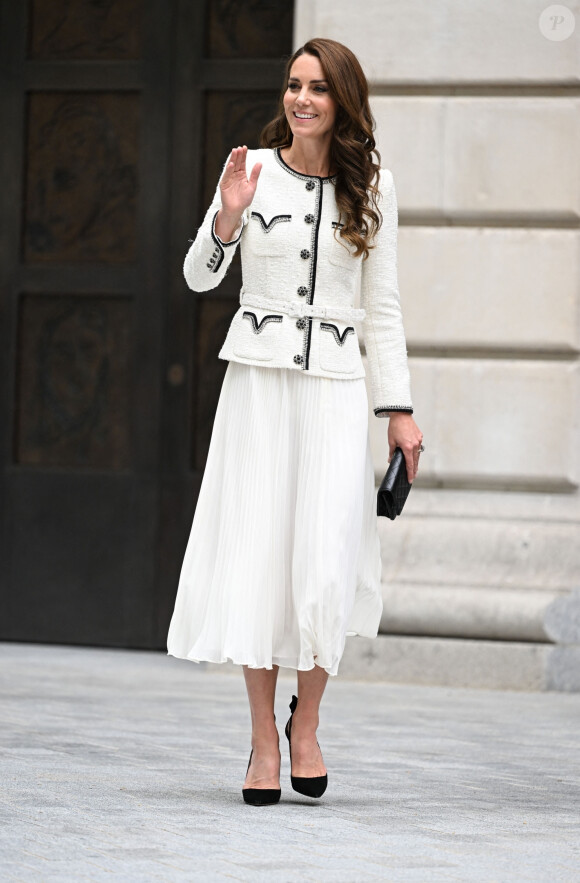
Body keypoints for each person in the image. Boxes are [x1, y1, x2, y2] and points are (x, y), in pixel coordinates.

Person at [167, 37, 423, 806]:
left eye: (316, 88)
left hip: (339, 391)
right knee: (259, 557)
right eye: (293, 85)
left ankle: (305, 721)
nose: (300, 99)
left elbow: (382, 308)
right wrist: (227, 221)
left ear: (342, 101)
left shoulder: (372, 184)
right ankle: (259, 741)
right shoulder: (250, 170)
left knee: (325, 560)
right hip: (259, 388)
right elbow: (197, 276)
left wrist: (399, 410)